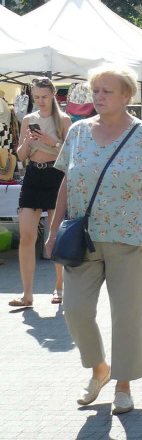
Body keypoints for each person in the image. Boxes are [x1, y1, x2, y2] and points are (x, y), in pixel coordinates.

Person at [45, 64, 142, 415]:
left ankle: (123, 384)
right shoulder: (77, 132)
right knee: (74, 309)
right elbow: (65, 183)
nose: (99, 97)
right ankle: (99, 368)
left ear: (126, 96)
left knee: (126, 315)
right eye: (96, 90)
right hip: (82, 237)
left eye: (107, 91)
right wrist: (53, 228)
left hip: (129, 237)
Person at [9, 77, 72, 308]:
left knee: (54, 235)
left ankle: (59, 287)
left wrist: (52, 142)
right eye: (36, 97)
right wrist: (26, 142)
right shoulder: (28, 119)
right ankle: (27, 294)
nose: (40, 101)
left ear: (53, 95)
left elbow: (71, 153)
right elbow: (22, 156)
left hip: (56, 175)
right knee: (26, 235)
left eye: (44, 96)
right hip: (33, 175)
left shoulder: (64, 119)